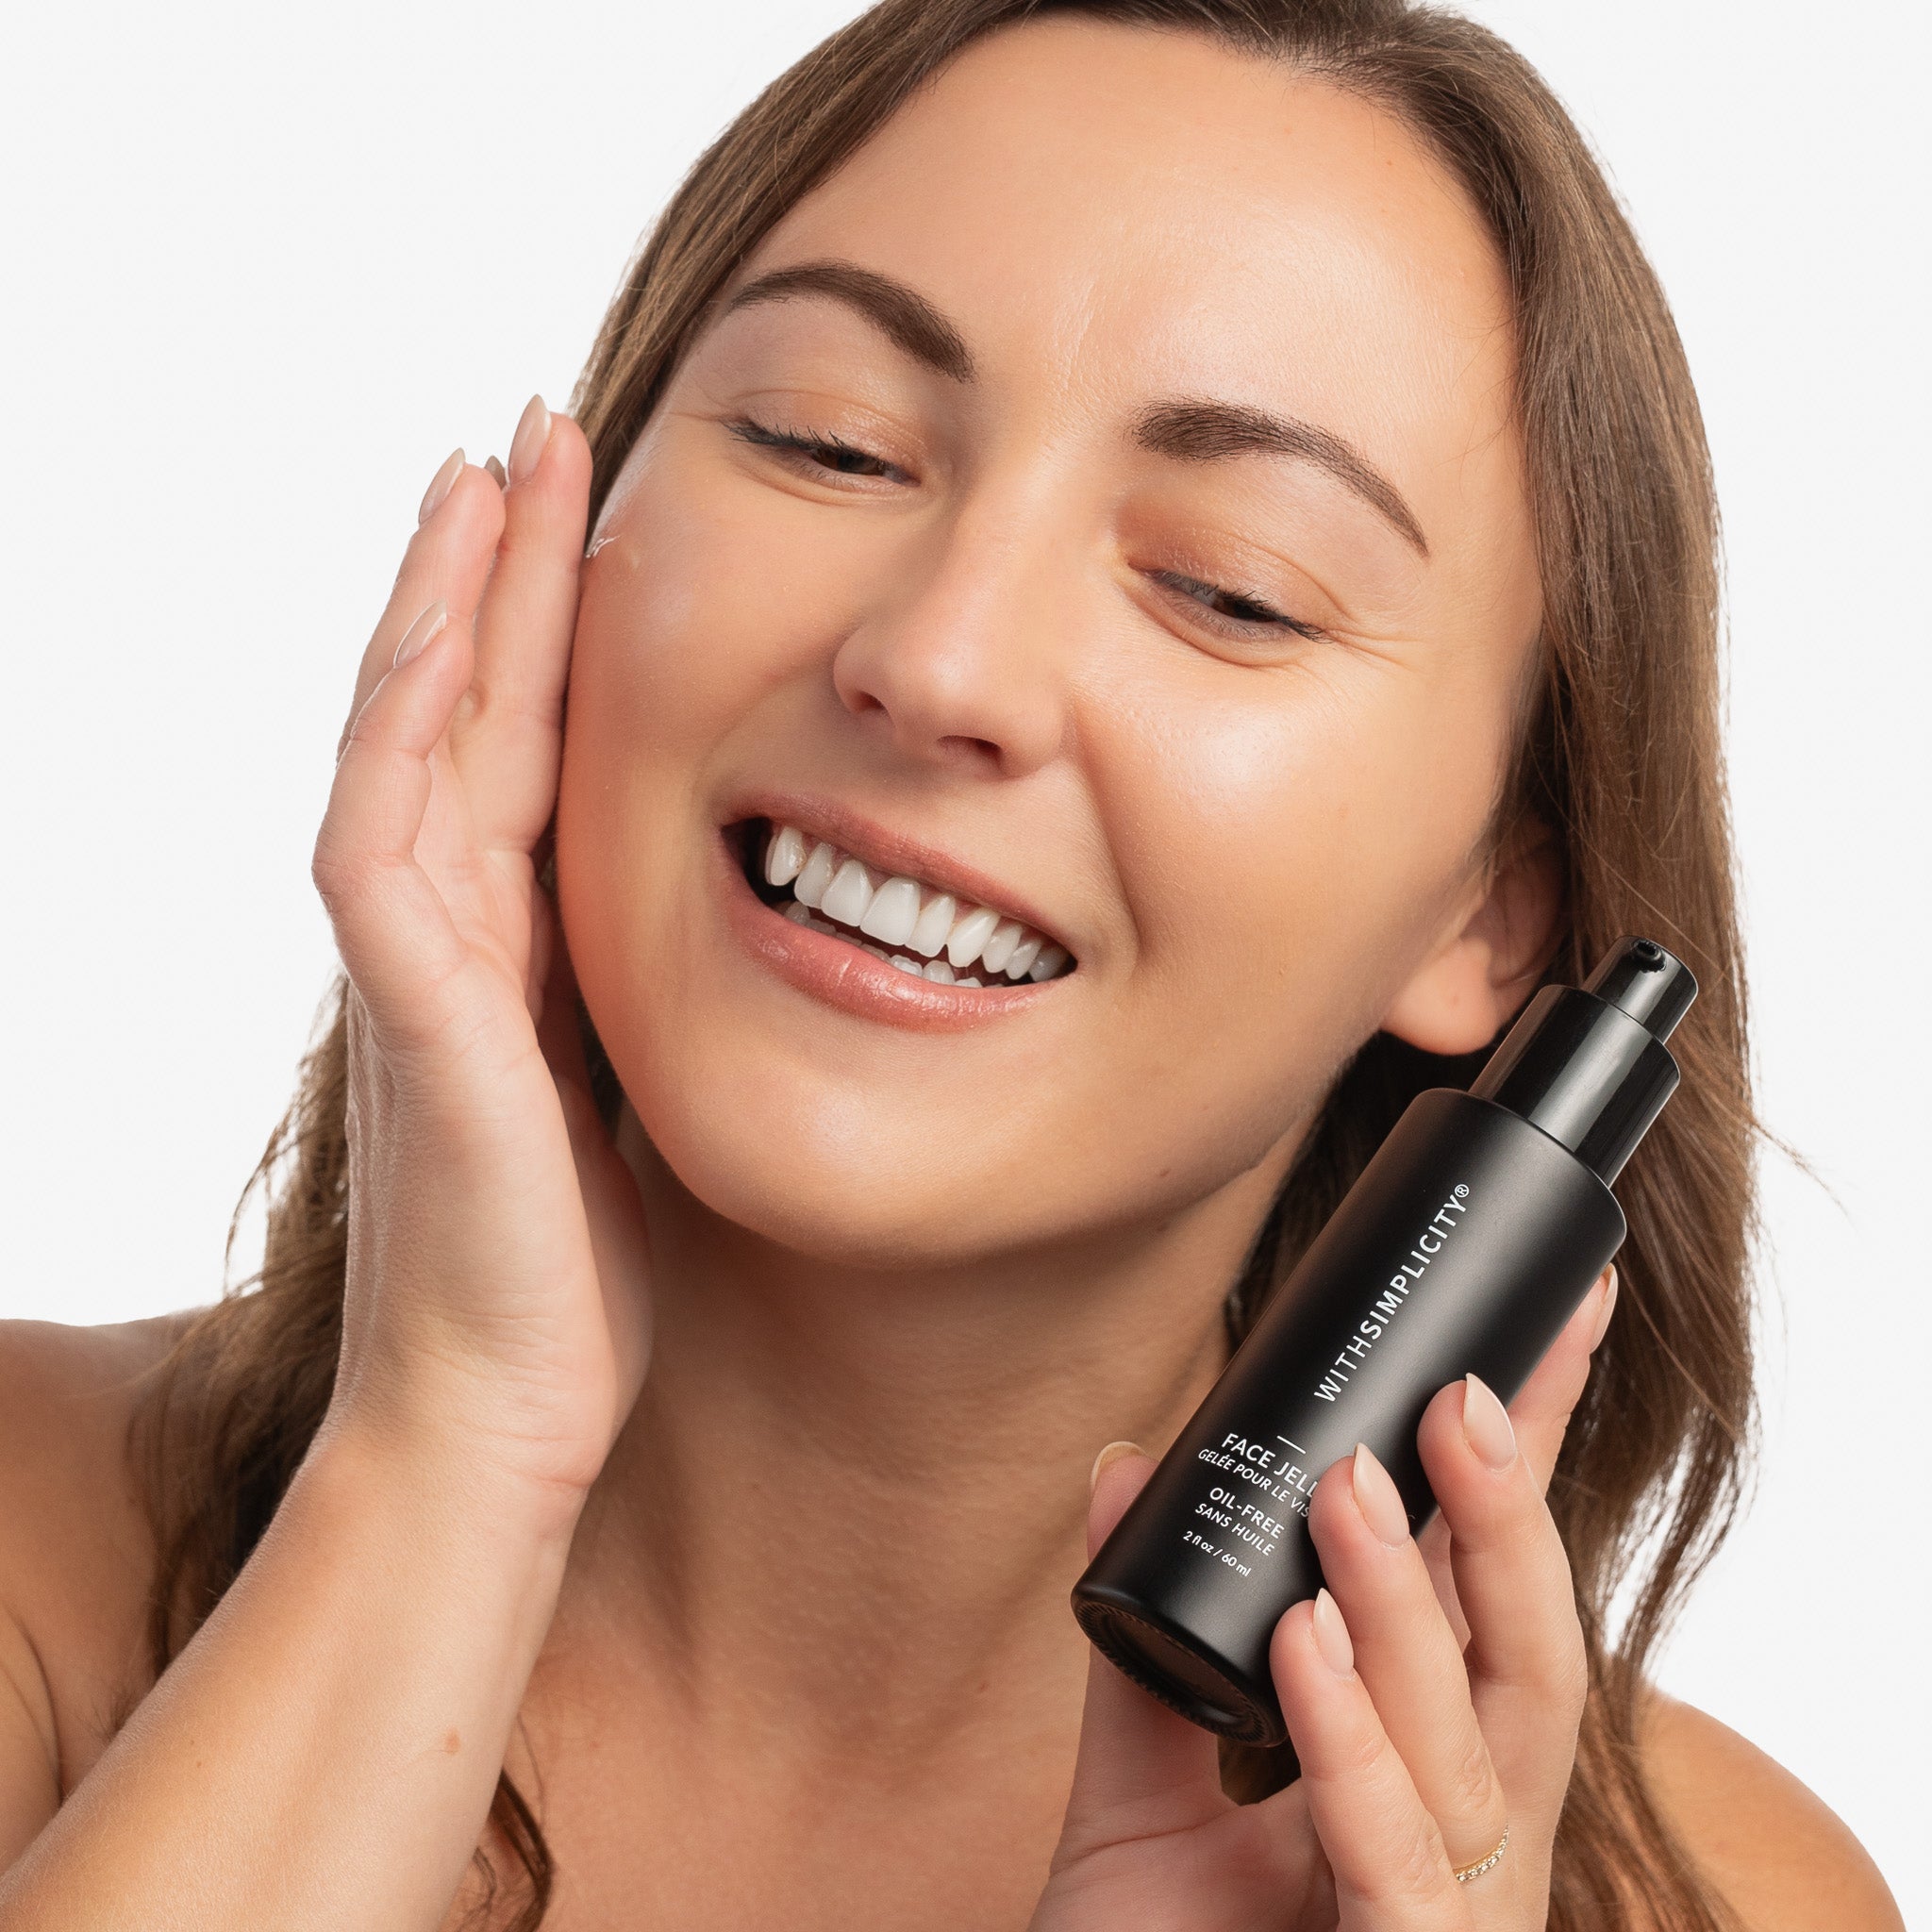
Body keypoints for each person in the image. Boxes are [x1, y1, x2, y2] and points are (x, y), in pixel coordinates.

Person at [0, 2, 1904, 1926]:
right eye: (828, 443)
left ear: (1487, 914)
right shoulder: (35, 1568)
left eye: (1229, 586)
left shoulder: (1726, 1901)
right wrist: (450, 1453)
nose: (939, 660)